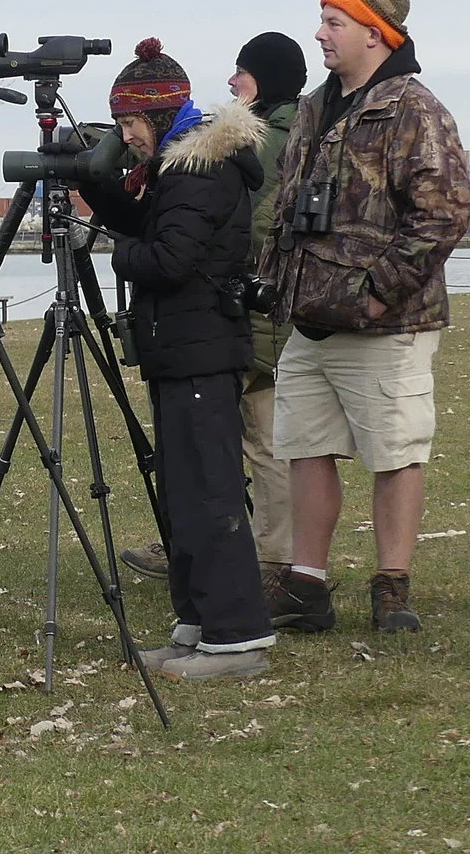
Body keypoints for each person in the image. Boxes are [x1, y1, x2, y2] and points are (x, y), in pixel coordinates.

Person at [257, 0, 470, 635]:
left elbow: (444, 212)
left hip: (388, 325)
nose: (319, 32)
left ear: (376, 32)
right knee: (305, 447)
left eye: (332, 21)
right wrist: (274, 282)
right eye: (321, 19)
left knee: (394, 450)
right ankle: (306, 586)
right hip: (309, 321)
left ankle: (392, 587)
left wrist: (378, 293)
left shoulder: (415, 109)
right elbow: (288, 206)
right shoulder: (315, 107)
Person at [79, 38, 277, 681]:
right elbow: (149, 227)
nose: (127, 136)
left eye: (133, 123)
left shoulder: (200, 171)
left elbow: (167, 259)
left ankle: (238, 638)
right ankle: (198, 626)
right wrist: (95, 184)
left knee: (210, 493)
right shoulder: (181, 169)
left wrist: (114, 254)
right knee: (186, 494)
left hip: (201, 348)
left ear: (161, 118)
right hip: (186, 347)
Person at [120, 31, 307, 596]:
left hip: (247, 296)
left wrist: (136, 241)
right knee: (231, 435)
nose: (231, 83)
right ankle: (229, 544)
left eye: (242, 73)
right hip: (240, 292)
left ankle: (268, 556)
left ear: (266, 79)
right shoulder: (263, 136)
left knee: (250, 433)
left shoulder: (266, 142)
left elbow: (235, 222)